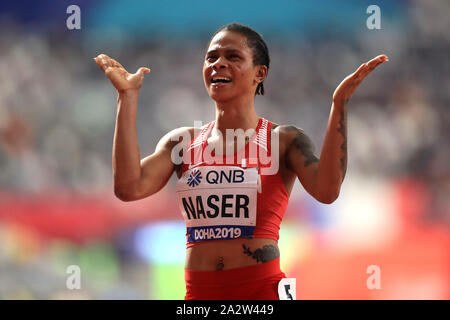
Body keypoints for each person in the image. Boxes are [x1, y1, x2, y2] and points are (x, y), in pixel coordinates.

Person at [94, 22, 387, 300]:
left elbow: (327, 191)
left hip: (260, 293)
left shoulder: (283, 140)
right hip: (199, 295)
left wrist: (339, 105)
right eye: (211, 57)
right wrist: (127, 97)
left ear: (260, 73)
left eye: (232, 56)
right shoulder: (182, 142)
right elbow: (129, 187)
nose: (218, 64)